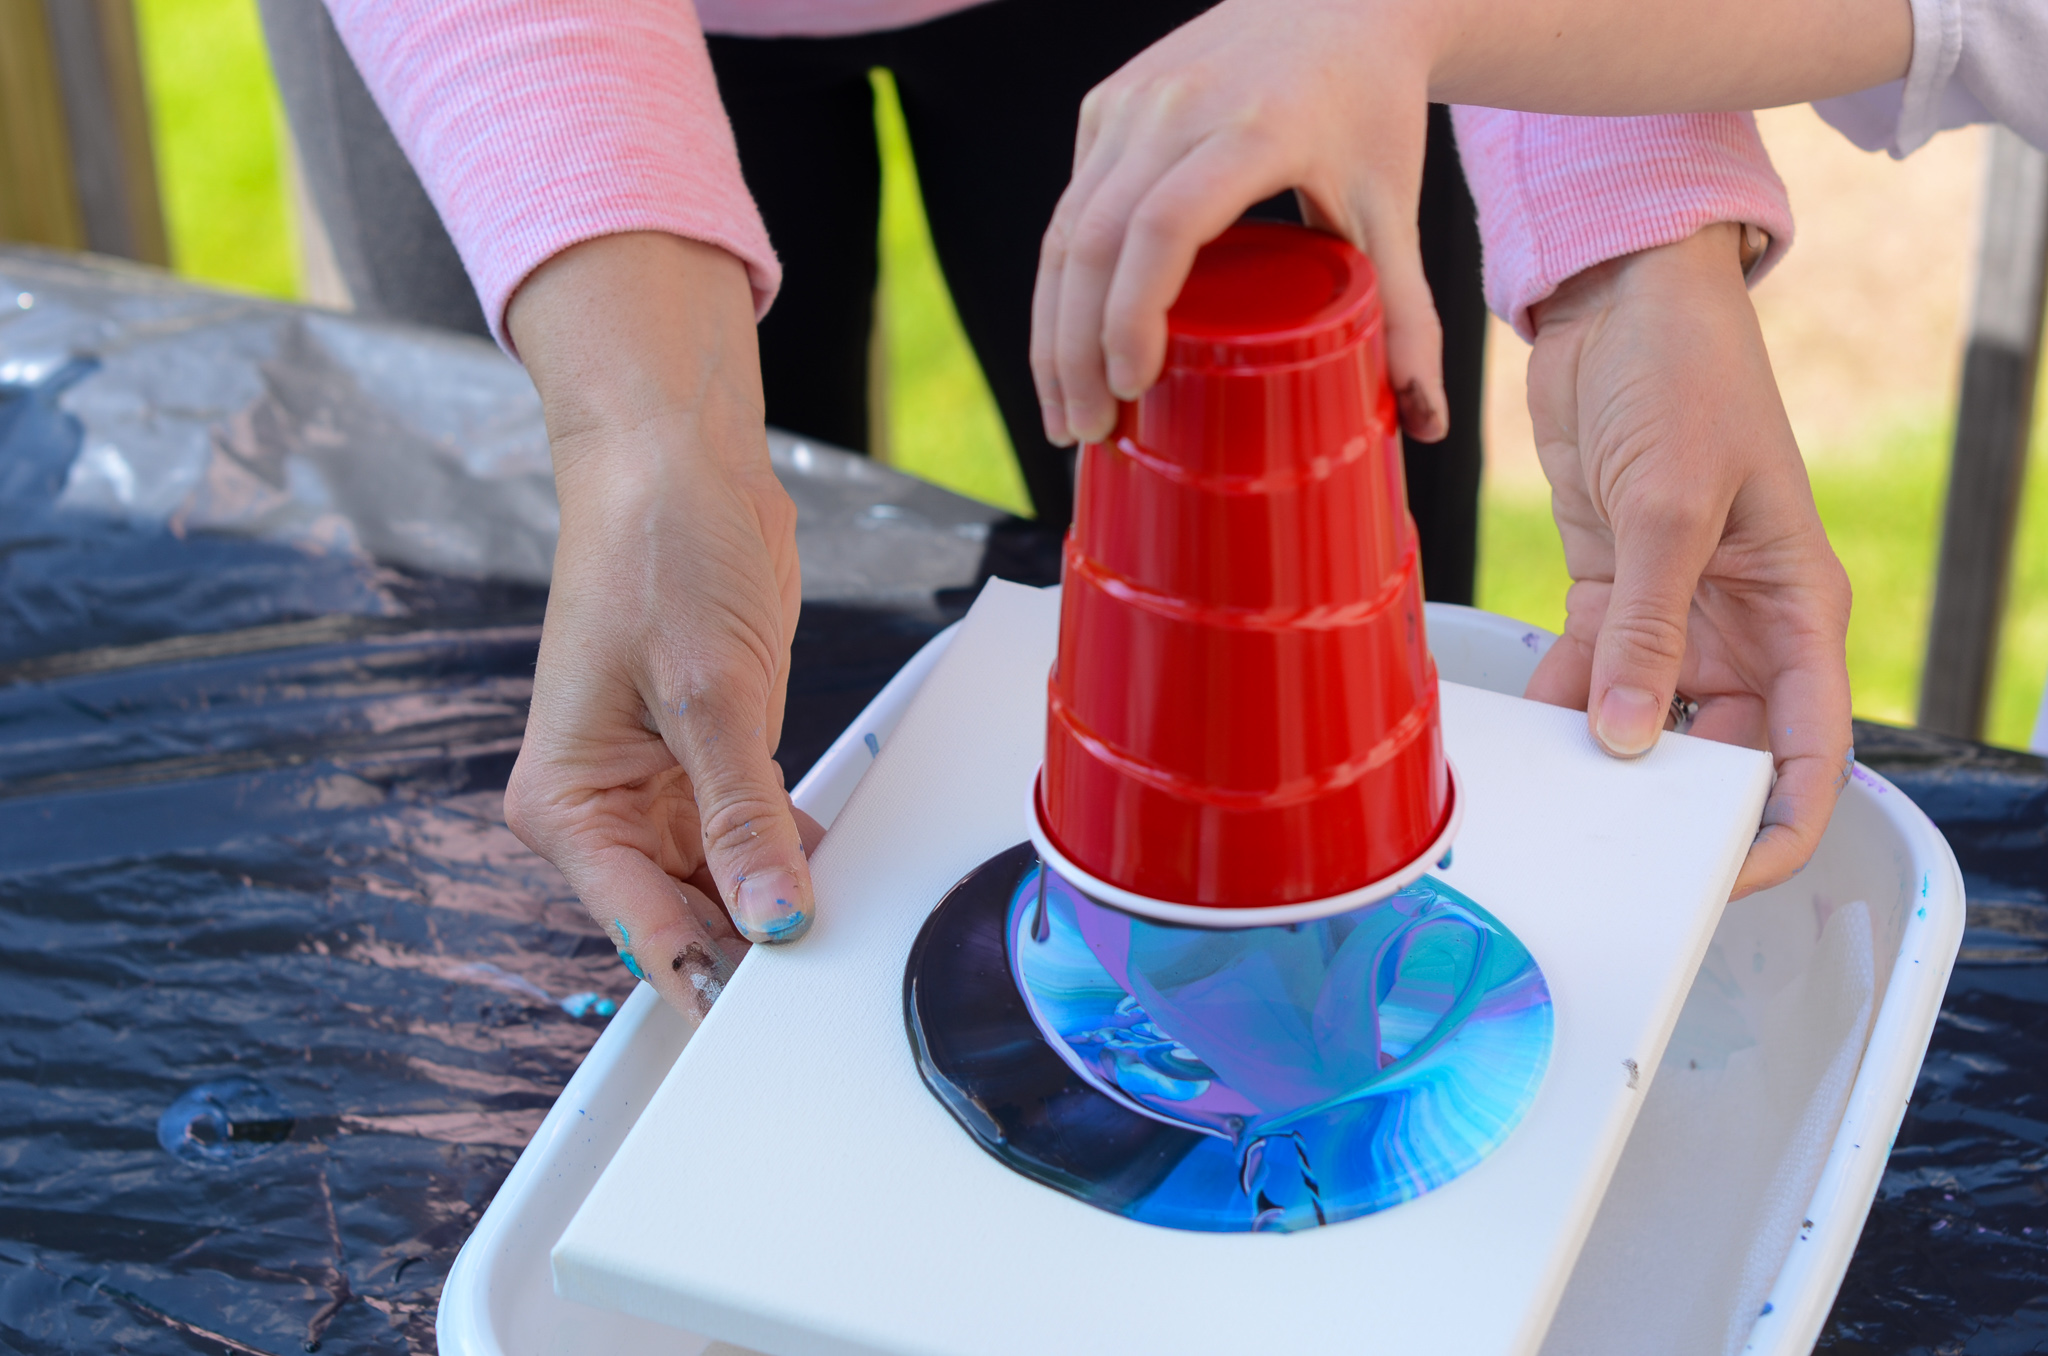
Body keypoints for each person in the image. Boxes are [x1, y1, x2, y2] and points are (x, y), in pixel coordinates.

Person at [313, 0, 2034, 1025]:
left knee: (1305, 729)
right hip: (521, 54)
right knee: (677, 747)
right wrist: (638, 428)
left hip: (1236, 39)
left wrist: (1627, 222)